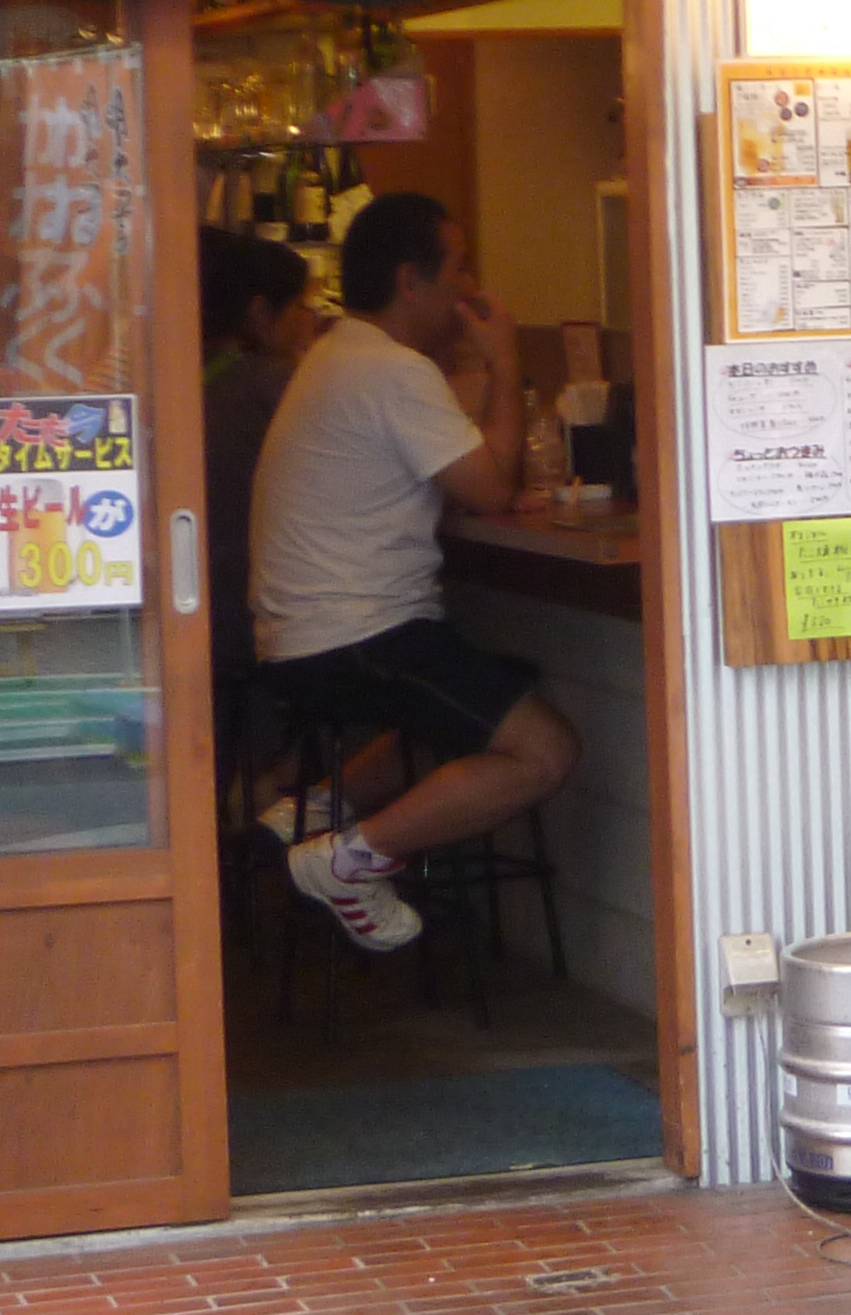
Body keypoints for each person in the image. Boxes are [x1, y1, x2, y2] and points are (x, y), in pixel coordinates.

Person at [248, 192, 581, 952]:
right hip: (355, 636)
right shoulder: (393, 370)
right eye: (458, 268)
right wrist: (504, 363)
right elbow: (490, 488)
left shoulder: (337, 354)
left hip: (301, 639)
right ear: (411, 280)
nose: (469, 288)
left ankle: (319, 807)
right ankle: (346, 860)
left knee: (462, 708)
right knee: (544, 750)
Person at [198, 227, 324, 680]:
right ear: (260, 315)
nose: (310, 320)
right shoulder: (275, 384)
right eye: (300, 306)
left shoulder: (187, 375)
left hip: (204, 604)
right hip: (253, 615)